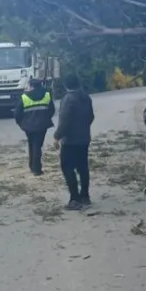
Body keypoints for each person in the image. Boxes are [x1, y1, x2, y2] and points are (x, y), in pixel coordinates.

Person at [53, 72, 95, 210]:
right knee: (83, 168)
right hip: (84, 138)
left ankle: (74, 198)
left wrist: (57, 136)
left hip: (70, 141)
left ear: (65, 85)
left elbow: (64, 120)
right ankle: (85, 196)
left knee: (67, 168)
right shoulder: (86, 97)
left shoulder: (67, 99)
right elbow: (91, 116)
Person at [14, 78, 55, 175]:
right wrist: (46, 118)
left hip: (28, 126)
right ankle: (36, 168)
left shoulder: (24, 97)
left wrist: (21, 124)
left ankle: (34, 167)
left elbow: (17, 114)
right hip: (42, 125)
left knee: (32, 144)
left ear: (31, 86)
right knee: (37, 145)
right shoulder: (47, 95)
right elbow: (52, 110)